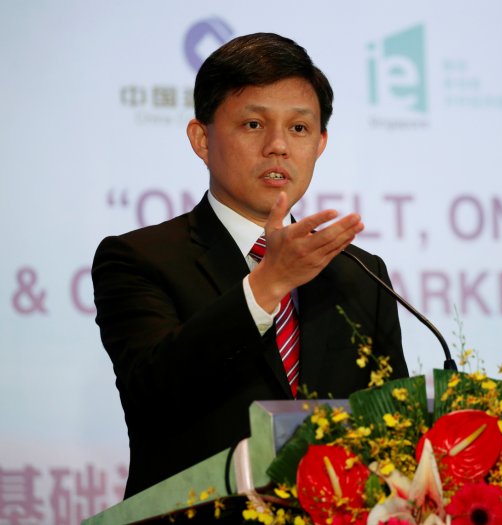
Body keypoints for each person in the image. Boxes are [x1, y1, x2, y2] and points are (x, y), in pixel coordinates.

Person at [92, 33, 408, 498]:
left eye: (299, 129)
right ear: (202, 139)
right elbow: (152, 396)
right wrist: (266, 286)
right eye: (254, 124)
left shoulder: (360, 274)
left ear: (320, 143)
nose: (278, 146)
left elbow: (393, 428)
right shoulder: (139, 259)